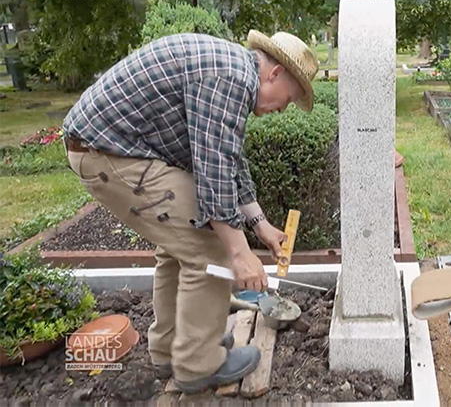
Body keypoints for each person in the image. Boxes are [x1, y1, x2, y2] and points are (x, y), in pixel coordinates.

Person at [62, 31, 318, 393]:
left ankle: (173, 348)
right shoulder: (228, 77)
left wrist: (260, 225)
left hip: (108, 147)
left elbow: (227, 160)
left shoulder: (231, 72)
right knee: (208, 246)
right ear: (274, 74)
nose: (283, 109)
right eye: (289, 99)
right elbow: (213, 172)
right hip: (107, 151)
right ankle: (198, 363)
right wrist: (240, 254)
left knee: (179, 245)